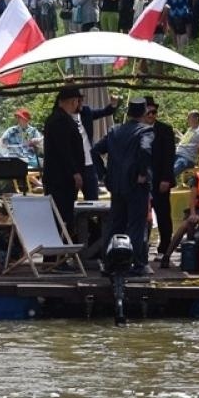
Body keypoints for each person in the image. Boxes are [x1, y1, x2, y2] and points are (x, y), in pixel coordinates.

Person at [93, 99, 155, 276]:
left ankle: (108, 263)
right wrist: (143, 172)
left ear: (128, 114)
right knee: (137, 225)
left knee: (115, 224)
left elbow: (95, 150)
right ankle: (138, 264)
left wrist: (103, 174)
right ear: (144, 113)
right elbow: (145, 150)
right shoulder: (146, 130)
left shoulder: (114, 130)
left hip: (116, 185)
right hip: (136, 185)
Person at [41, 86, 91, 253]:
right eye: (77, 101)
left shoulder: (61, 119)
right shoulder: (59, 120)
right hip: (60, 179)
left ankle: (58, 256)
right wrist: (75, 172)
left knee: (63, 217)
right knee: (61, 218)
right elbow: (64, 150)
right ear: (72, 101)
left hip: (62, 179)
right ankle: (56, 257)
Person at [143, 98, 176, 268]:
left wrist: (166, 179)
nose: (151, 115)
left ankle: (164, 248)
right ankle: (142, 247)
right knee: (141, 216)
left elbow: (169, 156)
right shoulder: (136, 129)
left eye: (154, 112)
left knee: (163, 215)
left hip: (159, 180)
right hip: (141, 181)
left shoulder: (165, 130)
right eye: (148, 112)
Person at [173, 109, 199, 178]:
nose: (187, 119)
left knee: (172, 171)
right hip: (177, 154)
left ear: (196, 118)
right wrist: (178, 134)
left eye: (189, 117)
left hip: (186, 158)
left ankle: (162, 185)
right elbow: (184, 142)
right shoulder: (190, 129)